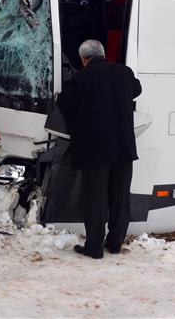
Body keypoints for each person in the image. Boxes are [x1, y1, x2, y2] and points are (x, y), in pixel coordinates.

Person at [56, 39, 142, 259]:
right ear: (103, 53)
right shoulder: (124, 73)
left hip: (95, 151)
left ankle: (94, 247)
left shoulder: (82, 77)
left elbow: (64, 102)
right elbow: (137, 89)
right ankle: (114, 243)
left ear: (84, 59)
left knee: (95, 199)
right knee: (120, 198)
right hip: (123, 148)